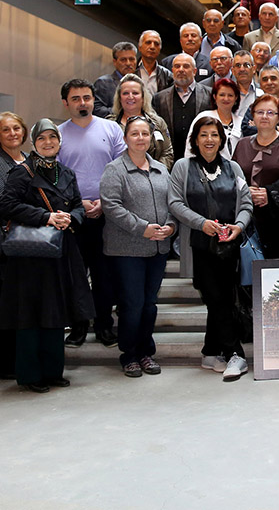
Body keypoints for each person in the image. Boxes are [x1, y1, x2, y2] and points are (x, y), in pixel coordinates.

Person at [0, 118, 93, 393]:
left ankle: (53, 371)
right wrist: (46, 217)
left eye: (53, 138)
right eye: (42, 139)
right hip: (31, 257)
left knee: (56, 313)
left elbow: (77, 205)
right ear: (34, 143)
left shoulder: (66, 173)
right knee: (30, 315)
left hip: (61, 253)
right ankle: (30, 374)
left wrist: (70, 219)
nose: (48, 143)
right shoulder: (22, 173)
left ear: (59, 143)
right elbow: (7, 206)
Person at [168, 116, 254, 381]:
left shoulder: (233, 168)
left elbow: (246, 204)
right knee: (216, 298)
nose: (209, 140)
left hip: (228, 248)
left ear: (221, 139)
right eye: (203, 135)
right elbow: (175, 202)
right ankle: (234, 353)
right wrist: (201, 223)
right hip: (198, 246)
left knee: (223, 297)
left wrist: (238, 227)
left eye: (214, 135)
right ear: (195, 140)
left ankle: (209, 352)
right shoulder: (183, 167)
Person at [99, 116, 176, 378]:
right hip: (127, 250)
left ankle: (146, 352)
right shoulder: (115, 169)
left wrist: (171, 226)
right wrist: (142, 227)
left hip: (157, 249)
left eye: (145, 133)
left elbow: (173, 203)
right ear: (125, 137)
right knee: (132, 304)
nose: (140, 138)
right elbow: (111, 206)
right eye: (135, 134)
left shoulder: (161, 170)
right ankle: (129, 354)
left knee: (149, 305)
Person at [57, 78, 127, 349]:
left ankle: (104, 326)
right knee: (75, 275)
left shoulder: (111, 129)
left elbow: (121, 169)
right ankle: (77, 327)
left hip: (106, 213)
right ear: (65, 103)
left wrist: (102, 201)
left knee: (103, 275)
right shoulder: (58, 134)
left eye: (86, 98)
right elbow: (55, 178)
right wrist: (79, 204)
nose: (82, 103)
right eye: (76, 99)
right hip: (73, 216)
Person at [233, 94, 279, 260]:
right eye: (260, 112)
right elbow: (233, 177)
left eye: (270, 113)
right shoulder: (242, 144)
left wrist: (270, 193)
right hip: (248, 217)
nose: (264, 116)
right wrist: (246, 192)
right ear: (252, 116)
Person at [0, 111, 28, 380]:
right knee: (2, 305)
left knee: (22, 304)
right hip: (4, 242)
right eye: (6, 130)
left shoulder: (31, 162)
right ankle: (0, 365)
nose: (12, 133)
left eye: (16, 128)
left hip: (28, 243)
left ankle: (21, 359)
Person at [154, 54, 212, 165]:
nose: (181, 70)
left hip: (201, 158)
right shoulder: (159, 98)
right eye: (177, 66)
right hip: (170, 160)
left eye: (186, 66)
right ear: (172, 70)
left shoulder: (209, 94)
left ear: (194, 71)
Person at [111, 73, 174, 169]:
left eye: (135, 93)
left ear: (143, 97)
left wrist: (153, 171)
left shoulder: (157, 122)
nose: (130, 97)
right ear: (119, 98)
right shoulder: (110, 124)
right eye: (125, 93)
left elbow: (167, 153)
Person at [242, 64, 279, 138]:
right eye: (265, 79)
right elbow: (246, 130)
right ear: (260, 85)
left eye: (273, 78)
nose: (269, 82)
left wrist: (259, 128)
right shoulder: (253, 108)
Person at [194, 78, 243, 159]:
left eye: (230, 95)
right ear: (214, 97)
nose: (226, 99)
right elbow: (191, 147)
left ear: (236, 98)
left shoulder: (241, 122)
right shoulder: (203, 117)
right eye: (222, 95)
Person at [94, 41, 137, 118]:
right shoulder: (103, 82)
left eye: (131, 59)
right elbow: (97, 110)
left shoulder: (140, 83)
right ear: (115, 62)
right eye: (123, 60)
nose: (128, 63)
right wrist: (124, 111)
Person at [136, 30, 173, 95]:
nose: (152, 47)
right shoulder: (131, 70)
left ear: (160, 49)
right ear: (140, 47)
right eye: (148, 42)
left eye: (156, 44)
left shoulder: (168, 76)